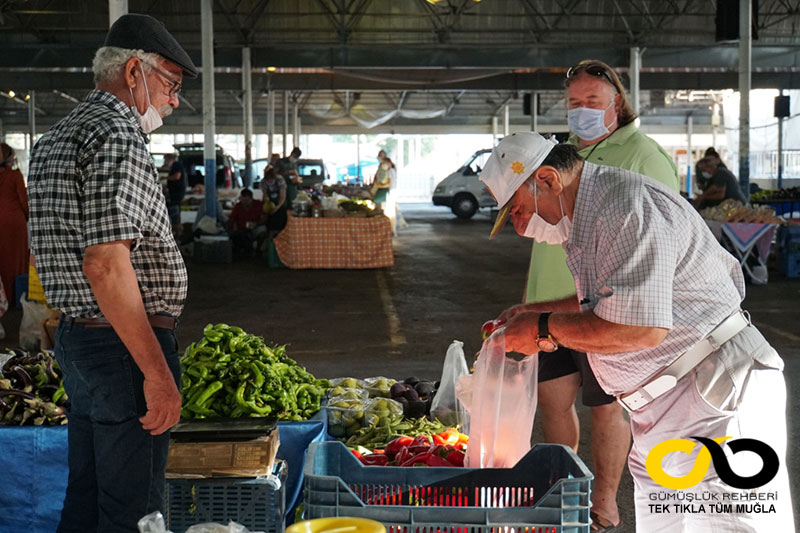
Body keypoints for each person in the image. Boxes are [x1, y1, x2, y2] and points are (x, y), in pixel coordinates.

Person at [482, 132, 793, 532]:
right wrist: (535, 310)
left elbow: (643, 328)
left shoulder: (623, 207)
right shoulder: (594, 211)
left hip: (711, 396)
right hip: (664, 407)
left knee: (729, 524)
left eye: (520, 211)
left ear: (547, 179)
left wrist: (542, 329)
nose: (521, 228)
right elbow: (613, 299)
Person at [26, 13, 196, 532]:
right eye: (169, 84)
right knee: (133, 512)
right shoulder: (117, 134)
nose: (172, 100)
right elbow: (105, 264)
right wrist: (158, 374)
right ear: (133, 73)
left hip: (79, 341)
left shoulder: (56, 137)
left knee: (87, 495)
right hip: (121, 347)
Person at [518, 60, 679, 532]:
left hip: (610, 308)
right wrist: (532, 305)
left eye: (593, 101)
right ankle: (567, 494)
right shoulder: (559, 156)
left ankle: (604, 505)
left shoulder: (643, 155)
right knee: (553, 401)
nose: (581, 110)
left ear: (617, 104)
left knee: (608, 406)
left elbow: (659, 235)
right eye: (574, 103)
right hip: (552, 302)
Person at [0, 143, 29, 305]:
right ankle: (16, 299)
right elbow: (24, 201)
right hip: (14, 223)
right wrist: (27, 216)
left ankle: (2, 299)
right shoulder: (15, 176)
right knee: (17, 261)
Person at [228, 188, 266, 256]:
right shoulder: (238, 206)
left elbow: (264, 218)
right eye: (243, 200)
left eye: (247, 200)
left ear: (251, 199)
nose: (245, 202)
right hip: (241, 230)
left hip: (254, 228)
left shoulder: (258, 204)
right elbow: (232, 218)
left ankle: (258, 249)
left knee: (262, 230)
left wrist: (256, 224)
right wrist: (231, 228)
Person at [259, 167, 288, 238]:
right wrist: (266, 199)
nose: (269, 182)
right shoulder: (263, 182)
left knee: (280, 224)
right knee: (270, 225)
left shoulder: (280, 180)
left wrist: (277, 207)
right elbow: (265, 194)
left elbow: (282, 197)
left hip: (281, 206)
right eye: (268, 181)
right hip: (270, 205)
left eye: (271, 180)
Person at [162, 153, 187, 234]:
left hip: (177, 193)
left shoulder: (177, 165)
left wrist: (166, 178)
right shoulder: (174, 166)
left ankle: (177, 228)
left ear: (170, 159)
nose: (165, 161)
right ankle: (177, 228)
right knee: (176, 210)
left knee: (175, 210)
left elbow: (177, 176)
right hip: (175, 192)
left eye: (165, 159)